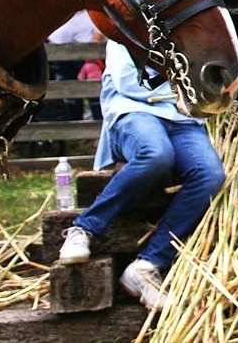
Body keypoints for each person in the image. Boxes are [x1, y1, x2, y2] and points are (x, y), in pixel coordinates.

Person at [58, 41, 225, 311]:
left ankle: (147, 265)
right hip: (134, 112)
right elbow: (128, 83)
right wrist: (182, 86)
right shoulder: (126, 31)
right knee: (156, 154)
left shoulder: (187, 31)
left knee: (210, 174)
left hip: (183, 118)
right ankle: (84, 228)